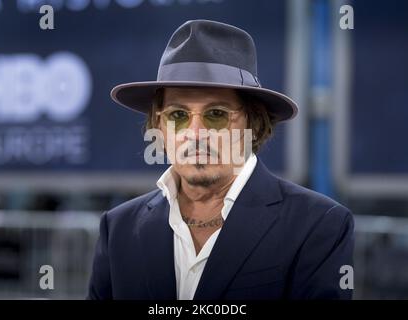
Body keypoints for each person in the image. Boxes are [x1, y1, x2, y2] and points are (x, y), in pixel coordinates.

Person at [87, 19, 354, 300]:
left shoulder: (318, 225)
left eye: (216, 114)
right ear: (159, 126)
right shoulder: (118, 229)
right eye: (178, 115)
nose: (196, 134)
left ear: (254, 122)